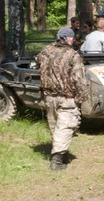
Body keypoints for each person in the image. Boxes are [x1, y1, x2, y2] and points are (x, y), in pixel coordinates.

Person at [36, 27, 88, 170]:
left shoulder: (45, 51)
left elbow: (38, 63)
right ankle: (57, 160)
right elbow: (79, 78)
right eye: (71, 37)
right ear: (65, 38)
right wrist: (82, 97)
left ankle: (61, 155)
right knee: (65, 127)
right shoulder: (73, 55)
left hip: (49, 96)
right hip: (67, 97)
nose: (73, 40)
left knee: (55, 126)